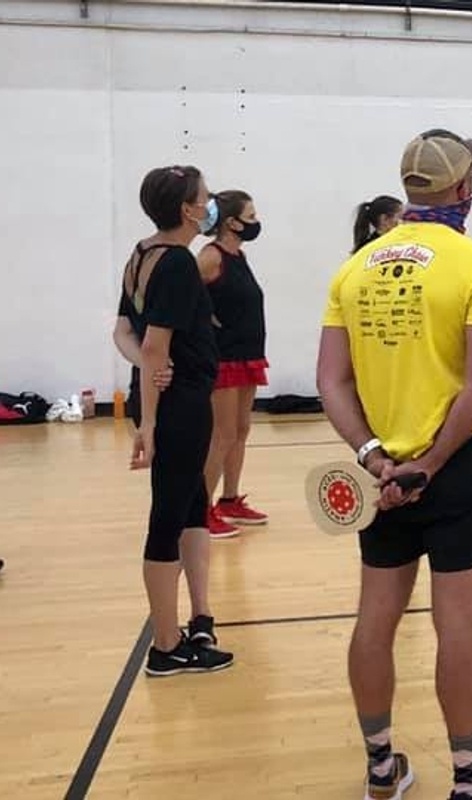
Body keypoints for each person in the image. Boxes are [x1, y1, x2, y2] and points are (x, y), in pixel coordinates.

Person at [316, 129, 472, 800]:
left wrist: (376, 458)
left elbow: (331, 382)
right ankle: (469, 785)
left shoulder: (354, 269)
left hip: (384, 478)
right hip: (461, 468)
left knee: (374, 620)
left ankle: (381, 770)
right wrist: (433, 462)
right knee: (460, 625)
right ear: (466, 188)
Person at [113, 165, 234, 677]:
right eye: (205, 198)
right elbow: (156, 343)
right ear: (187, 209)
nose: (211, 206)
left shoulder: (142, 254)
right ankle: (165, 646)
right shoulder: (178, 263)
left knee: (191, 506)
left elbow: (123, 333)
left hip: (177, 399)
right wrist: (149, 424)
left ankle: (199, 617)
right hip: (178, 406)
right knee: (167, 516)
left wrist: (145, 364)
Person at [196, 190, 269, 537]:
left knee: (240, 430)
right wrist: (205, 319)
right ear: (232, 222)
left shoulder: (238, 255)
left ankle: (229, 501)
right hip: (222, 358)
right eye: (251, 216)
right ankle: (200, 509)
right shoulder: (210, 257)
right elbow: (184, 297)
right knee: (221, 435)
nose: (256, 222)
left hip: (248, 354)